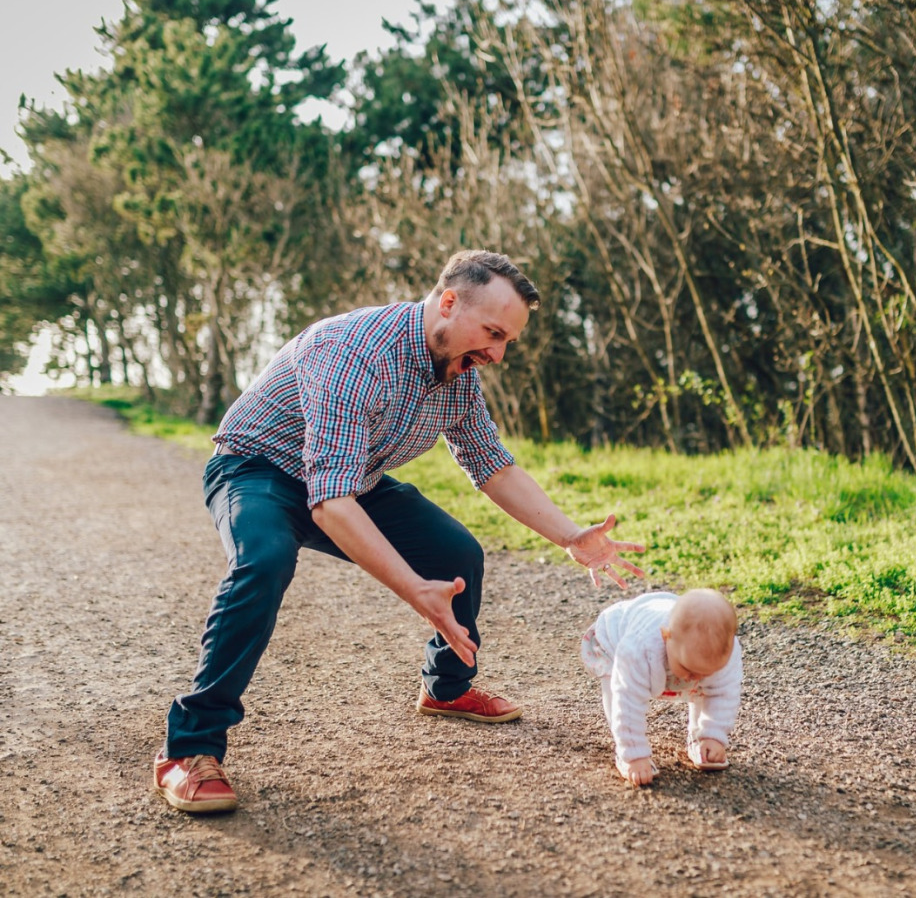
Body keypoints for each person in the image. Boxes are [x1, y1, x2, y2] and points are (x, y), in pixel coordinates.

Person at [154, 249, 645, 813]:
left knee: (456, 551)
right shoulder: (350, 353)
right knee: (264, 560)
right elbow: (329, 505)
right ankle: (187, 748)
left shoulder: (457, 371)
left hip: (349, 478)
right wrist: (415, 590)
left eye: (508, 340)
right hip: (257, 470)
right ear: (449, 302)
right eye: (492, 332)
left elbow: (492, 464)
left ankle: (447, 688)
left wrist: (569, 536)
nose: (499, 353)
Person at [580, 589, 742, 788]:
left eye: (706, 672)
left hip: (664, 628)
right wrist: (634, 755)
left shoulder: (723, 652)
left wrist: (713, 735)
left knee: (709, 687)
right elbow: (627, 701)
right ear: (666, 636)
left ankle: (700, 739)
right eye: (688, 669)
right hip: (614, 639)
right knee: (617, 688)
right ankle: (625, 752)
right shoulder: (638, 649)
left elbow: (723, 694)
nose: (696, 678)